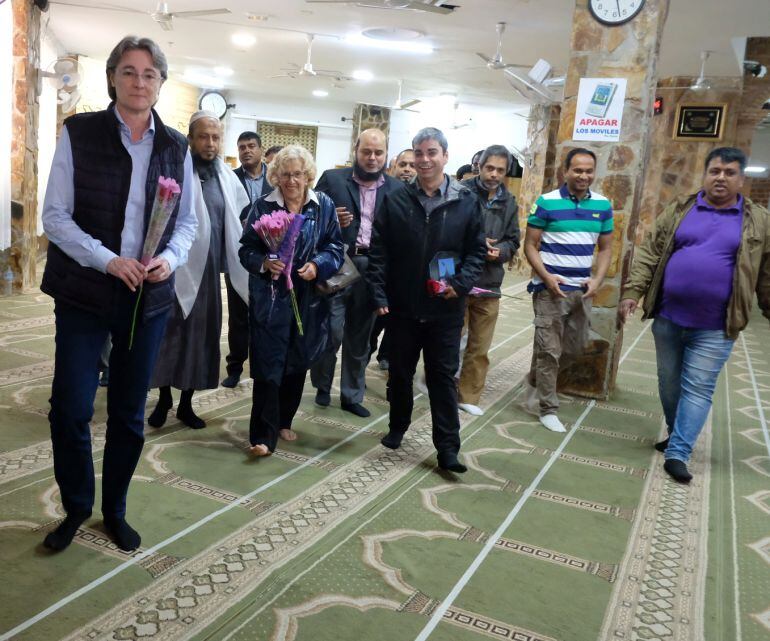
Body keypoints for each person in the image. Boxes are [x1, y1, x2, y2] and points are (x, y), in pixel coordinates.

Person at [40, 36, 197, 551]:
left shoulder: (176, 146)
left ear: (160, 84)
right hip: (86, 291)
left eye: (149, 74)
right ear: (112, 78)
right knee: (70, 406)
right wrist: (108, 260)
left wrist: (167, 260)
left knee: (129, 411)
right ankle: (76, 507)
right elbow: (55, 217)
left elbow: (188, 223)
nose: (138, 82)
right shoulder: (80, 133)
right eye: (129, 72)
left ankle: (115, 509)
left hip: (146, 299)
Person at [619, 147, 770, 483]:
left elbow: (766, 273)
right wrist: (633, 292)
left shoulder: (758, 220)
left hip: (717, 325)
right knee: (669, 384)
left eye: (730, 173)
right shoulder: (680, 209)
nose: (721, 177)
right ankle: (678, 433)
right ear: (705, 174)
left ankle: (679, 452)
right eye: (715, 171)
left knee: (698, 387)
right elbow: (651, 251)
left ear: (741, 179)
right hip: (669, 317)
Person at [368, 127, 486, 473]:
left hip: (446, 308)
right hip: (403, 306)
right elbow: (379, 250)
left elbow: (477, 252)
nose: (424, 160)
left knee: (441, 377)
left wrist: (461, 283)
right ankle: (397, 427)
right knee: (400, 374)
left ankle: (448, 448)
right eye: (418, 153)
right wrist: (379, 292)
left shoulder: (466, 200)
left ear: (445, 157)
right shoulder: (396, 198)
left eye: (431, 152)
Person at [148, 111, 250, 429]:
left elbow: (239, 222)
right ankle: (164, 396)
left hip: (207, 277)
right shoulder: (176, 172)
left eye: (216, 137)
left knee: (200, 340)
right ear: (190, 139)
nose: (210, 143)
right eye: (203, 136)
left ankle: (187, 404)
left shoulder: (227, 178)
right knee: (168, 337)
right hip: (174, 270)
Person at [239, 145, 344, 455]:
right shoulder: (263, 207)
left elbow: (335, 247)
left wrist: (317, 265)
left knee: (297, 361)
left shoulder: (322, 205)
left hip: (308, 296)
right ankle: (262, 436)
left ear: (308, 175)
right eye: (284, 174)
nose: (292, 181)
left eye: (297, 174)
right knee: (268, 365)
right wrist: (263, 263)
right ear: (276, 176)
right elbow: (246, 250)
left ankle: (285, 419)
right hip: (271, 298)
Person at [309, 128, 405, 418]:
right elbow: (306, 218)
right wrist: (328, 218)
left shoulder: (397, 189)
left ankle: (352, 395)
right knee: (332, 331)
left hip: (373, 270)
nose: (372, 158)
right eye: (367, 151)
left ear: (386, 154)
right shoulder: (332, 179)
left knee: (360, 337)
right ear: (356, 150)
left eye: (378, 152)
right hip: (338, 264)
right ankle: (322, 385)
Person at [523, 148, 613, 433]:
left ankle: (535, 381)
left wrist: (597, 280)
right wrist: (547, 277)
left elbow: (607, 247)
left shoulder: (602, 205)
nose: (583, 176)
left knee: (571, 349)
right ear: (565, 171)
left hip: (581, 293)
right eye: (578, 170)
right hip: (550, 290)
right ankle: (548, 408)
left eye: (589, 171)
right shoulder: (546, 203)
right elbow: (530, 245)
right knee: (550, 350)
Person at [457, 145, 520, 416]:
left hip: (490, 283)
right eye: (489, 168)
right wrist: (476, 243)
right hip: (459, 280)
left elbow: (514, 240)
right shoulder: (460, 192)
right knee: (451, 341)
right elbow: (447, 231)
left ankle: (468, 396)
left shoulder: (510, 201)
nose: (494, 174)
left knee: (479, 345)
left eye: (500, 170)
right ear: (479, 167)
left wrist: (501, 252)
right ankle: (440, 384)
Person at [222, 131, 273, 388]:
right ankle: (234, 367)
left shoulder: (274, 180)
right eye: (241, 147)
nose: (246, 151)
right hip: (238, 255)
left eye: (251, 146)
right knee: (238, 316)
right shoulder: (229, 179)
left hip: (269, 257)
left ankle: (261, 367)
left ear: (261, 149)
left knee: (265, 315)